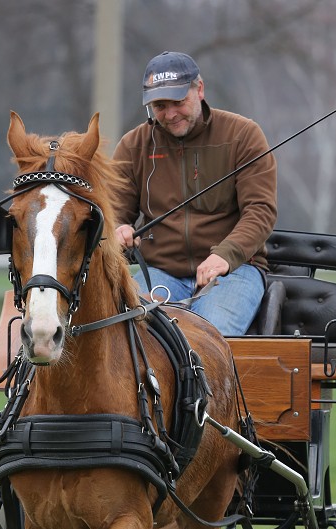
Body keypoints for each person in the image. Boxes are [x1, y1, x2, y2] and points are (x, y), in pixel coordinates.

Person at [113, 51, 277, 336]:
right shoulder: (133, 146)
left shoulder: (243, 135)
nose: (170, 114)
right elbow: (113, 209)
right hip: (160, 271)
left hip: (235, 271)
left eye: (178, 102)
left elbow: (260, 211)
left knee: (208, 336)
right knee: (124, 331)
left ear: (199, 90)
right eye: (160, 106)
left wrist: (225, 255)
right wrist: (117, 229)